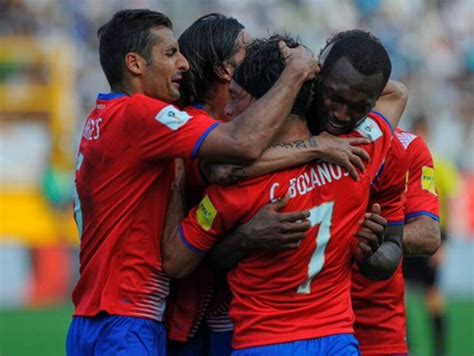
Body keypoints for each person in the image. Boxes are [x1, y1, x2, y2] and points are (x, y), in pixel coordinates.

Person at [66, 9, 319, 355]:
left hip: (97, 315)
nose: (183, 64)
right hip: (128, 318)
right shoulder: (142, 115)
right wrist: (297, 74)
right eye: (170, 53)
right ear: (135, 64)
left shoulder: (102, 119)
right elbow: (237, 152)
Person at [162, 34, 406, 354]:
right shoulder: (361, 152)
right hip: (337, 341)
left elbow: (175, 263)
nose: (231, 111)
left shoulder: (235, 189)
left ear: (272, 103)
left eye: (238, 98)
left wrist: (176, 182)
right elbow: (397, 94)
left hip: (264, 342)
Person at [403, 115, 457, 356]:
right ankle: (408, 345)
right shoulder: (403, 164)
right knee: (398, 295)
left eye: (423, 131)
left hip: (431, 237)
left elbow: (451, 205)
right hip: (406, 235)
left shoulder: (441, 166)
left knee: (432, 296)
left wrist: (444, 244)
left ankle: (439, 348)